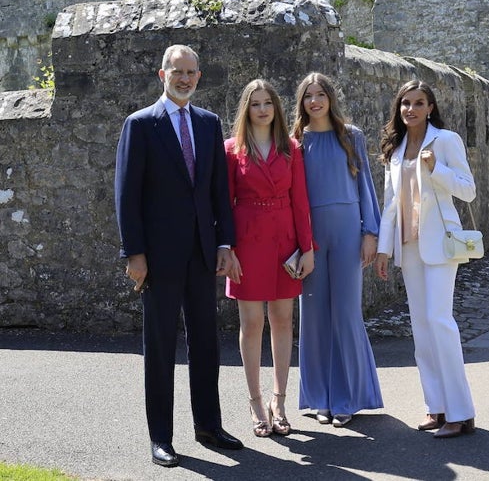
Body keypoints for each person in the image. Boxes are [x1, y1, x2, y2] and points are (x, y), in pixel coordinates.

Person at [115, 44, 243, 468]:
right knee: (161, 346)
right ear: (162, 74)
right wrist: (134, 253)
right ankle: (161, 438)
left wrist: (225, 243)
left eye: (191, 72)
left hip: (203, 254)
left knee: (206, 342)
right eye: (177, 71)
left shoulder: (209, 124)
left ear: (199, 76)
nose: (184, 78)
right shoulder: (140, 125)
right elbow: (126, 196)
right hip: (158, 256)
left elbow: (218, 192)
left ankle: (208, 425)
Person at [375, 80, 476, 439]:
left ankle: (461, 412)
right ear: (398, 108)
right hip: (409, 246)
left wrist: (437, 170)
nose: (411, 109)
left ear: (430, 107)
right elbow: (390, 203)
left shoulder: (445, 141)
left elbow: (468, 189)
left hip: (441, 243)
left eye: (419, 103)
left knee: (439, 320)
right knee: (420, 327)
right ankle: (436, 406)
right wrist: (384, 249)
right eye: (405, 103)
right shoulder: (396, 148)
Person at [224, 79, 315, 438]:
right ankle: (255, 401)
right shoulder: (231, 150)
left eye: (268, 103)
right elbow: (224, 204)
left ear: (277, 108)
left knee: (282, 320)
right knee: (251, 324)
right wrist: (226, 248)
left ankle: (279, 400)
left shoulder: (291, 148)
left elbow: (301, 202)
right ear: (247, 110)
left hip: (285, 243)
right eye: (255, 104)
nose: (262, 110)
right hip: (247, 242)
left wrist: (307, 248)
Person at [293, 72, 383, 428]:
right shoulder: (295, 142)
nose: (314, 101)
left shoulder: (351, 136)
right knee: (314, 316)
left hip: (348, 232)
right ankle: (319, 398)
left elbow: (365, 185)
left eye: (320, 94)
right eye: (308, 96)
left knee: (346, 313)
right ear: (301, 102)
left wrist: (370, 233)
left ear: (330, 97)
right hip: (311, 236)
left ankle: (348, 397)